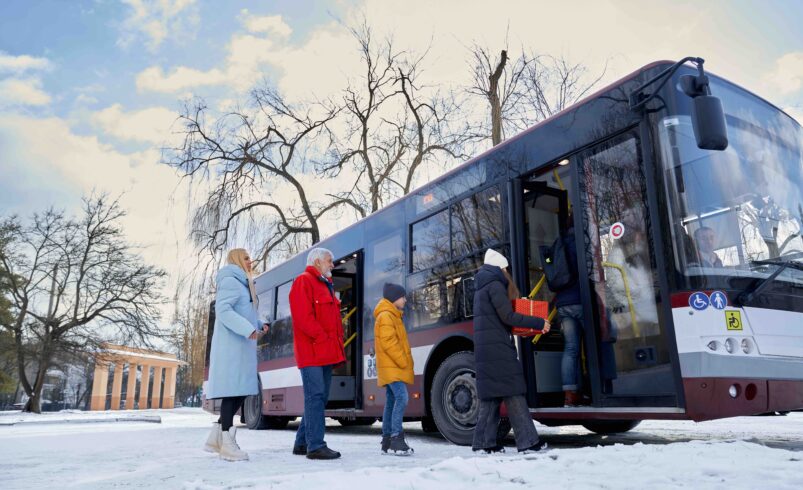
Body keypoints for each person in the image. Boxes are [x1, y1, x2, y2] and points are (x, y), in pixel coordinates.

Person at [472, 249, 551, 454]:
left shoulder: (482, 286)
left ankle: (483, 443)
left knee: (491, 397)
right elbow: (507, 316)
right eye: (506, 268)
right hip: (497, 348)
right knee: (514, 391)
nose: (507, 272)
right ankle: (528, 442)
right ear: (500, 267)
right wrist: (538, 322)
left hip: (487, 348)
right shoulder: (495, 284)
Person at [204, 249, 269, 462]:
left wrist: (258, 324)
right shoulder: (231, 281)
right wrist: (247, 329)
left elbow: (243, 312)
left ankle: (217, 439)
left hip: (241, 345)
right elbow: (223, 311)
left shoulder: (243, 283)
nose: (251, 261)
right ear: (238, 259)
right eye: (246, 258)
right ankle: (227, 444)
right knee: (233, 392)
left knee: (241, 390)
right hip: (232, 347)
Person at [289, 248, 345, 460]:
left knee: (319, 398)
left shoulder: (326, 285)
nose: (332, 265)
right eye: (329, 261)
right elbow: (303, 317)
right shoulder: (303, 281)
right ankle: (316, 446)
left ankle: (302, 443)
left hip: (325, 352)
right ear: (317, 262)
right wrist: (322, 338)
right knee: (316, 397)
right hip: (311, 352)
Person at [374, 283, 414, 456]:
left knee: (391, 400)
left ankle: (387, 440)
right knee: (402, 397)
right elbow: (389, 343)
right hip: (392, 366)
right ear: (394, 298)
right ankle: (396, 438)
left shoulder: (393, 315)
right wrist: (403, 360)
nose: (405, 300)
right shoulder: (386, 316)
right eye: (402, 296)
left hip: (391, 366)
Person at [553, 224, 587, 407]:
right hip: (580, 300)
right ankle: (598, 388)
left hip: (562, 304)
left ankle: (570, 395)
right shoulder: (580, 242)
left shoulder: (559, 245)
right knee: (593, 344)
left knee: (571, 348)